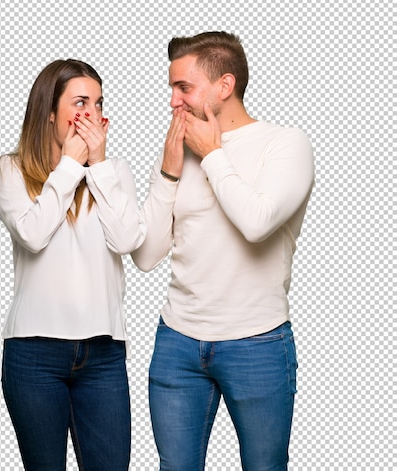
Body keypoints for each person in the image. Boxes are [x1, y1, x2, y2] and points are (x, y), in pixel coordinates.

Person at [131, 32, 315, 470]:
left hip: (257, 342)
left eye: (184, 88)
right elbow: (145, 256)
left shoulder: (285, 144)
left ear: (224, 86)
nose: (173, 100)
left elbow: (257, 222)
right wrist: (169, 172)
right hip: (177, 342)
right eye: (172, 87)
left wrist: (212, 155)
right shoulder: (183, 151)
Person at [0, 59, 146, 471]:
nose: (93, 115)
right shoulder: (14, 169)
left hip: (103, 354)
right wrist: (70, 165)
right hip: (34, 352)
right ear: (49, 111)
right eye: (81, 102)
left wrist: (96, 166)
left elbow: (130, 240)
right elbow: (33, 233)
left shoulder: (115, 173)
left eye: (99, 104)